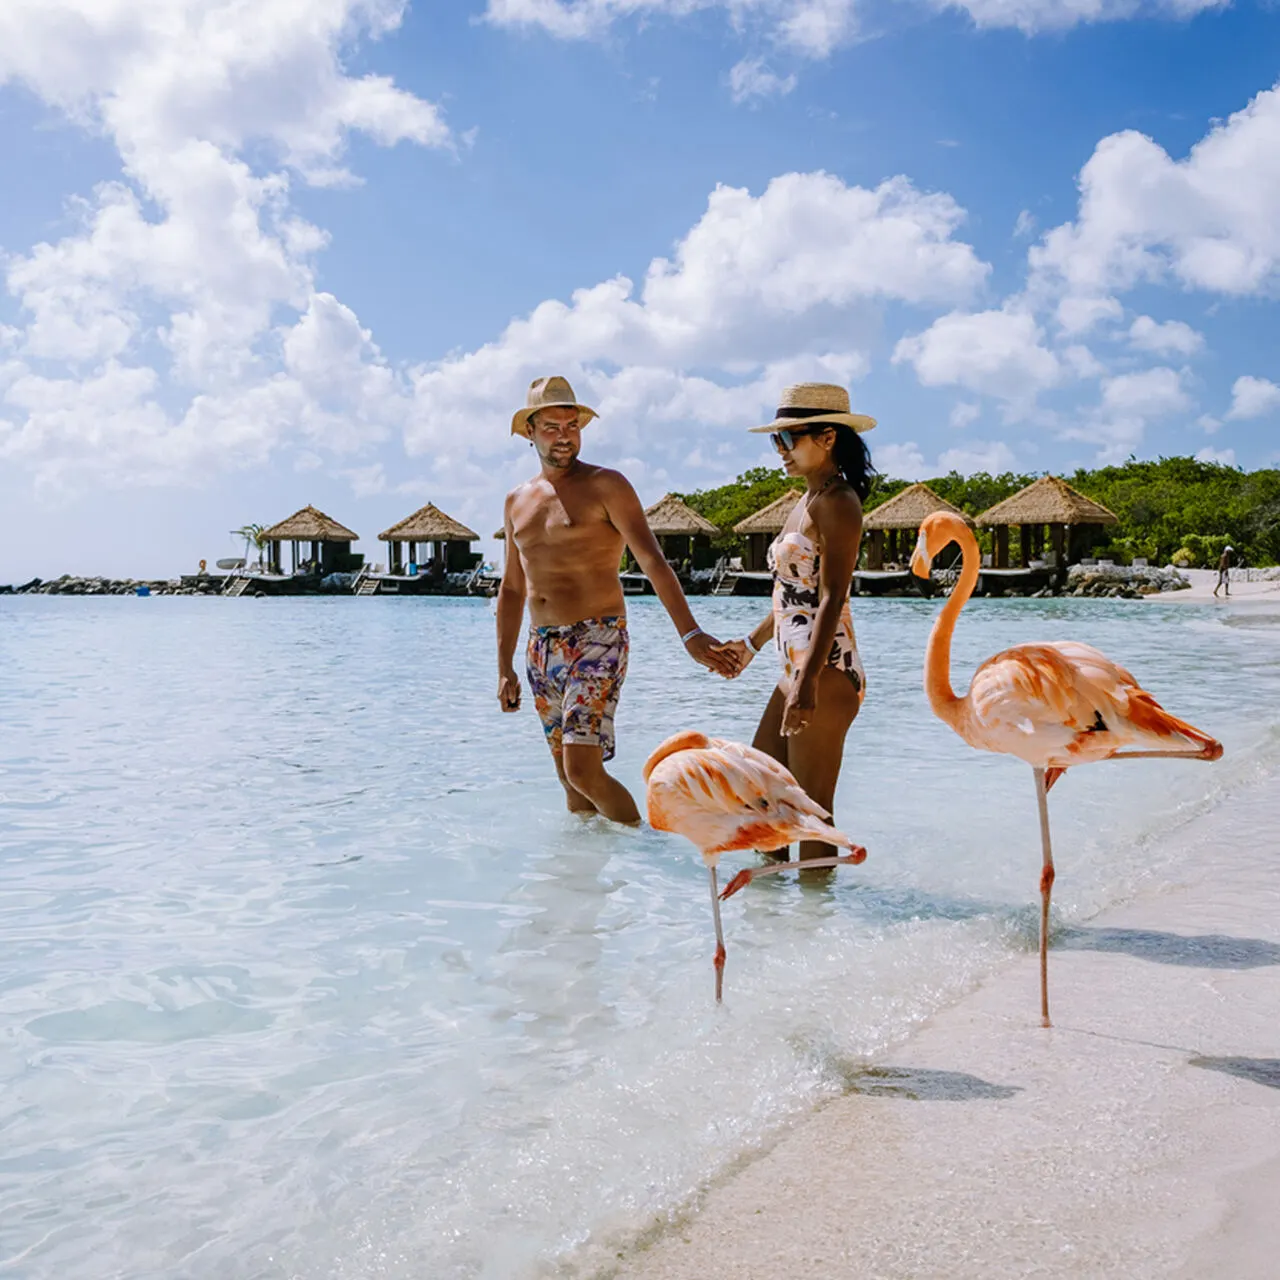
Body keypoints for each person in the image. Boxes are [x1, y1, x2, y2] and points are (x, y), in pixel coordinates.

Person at [497, 375, 738, 824]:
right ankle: (584, 881)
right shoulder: (516, 501)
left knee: (583, 770)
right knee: (568, 781)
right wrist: (504, 668)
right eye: (551, 426)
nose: (564, 435)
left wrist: (690, 633)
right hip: (540, 647)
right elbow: (512, 588)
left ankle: (645, 853)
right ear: (529, 431)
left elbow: (652, 561)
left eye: (572, 425)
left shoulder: (608, 485)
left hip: (598, 637)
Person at [715, 383, 874, 865]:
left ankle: (814, 925)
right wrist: (750, 643)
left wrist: (806, 684)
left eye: (790, 439)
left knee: (812, 813)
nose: (781, 451)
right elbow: (793, 597)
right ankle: (777, 927)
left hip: (823, 672)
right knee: (764, 797)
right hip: (797, 671)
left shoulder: (838, 502)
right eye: (776, 441)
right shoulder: (805, 500)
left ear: (827, 438)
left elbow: (831, 597)